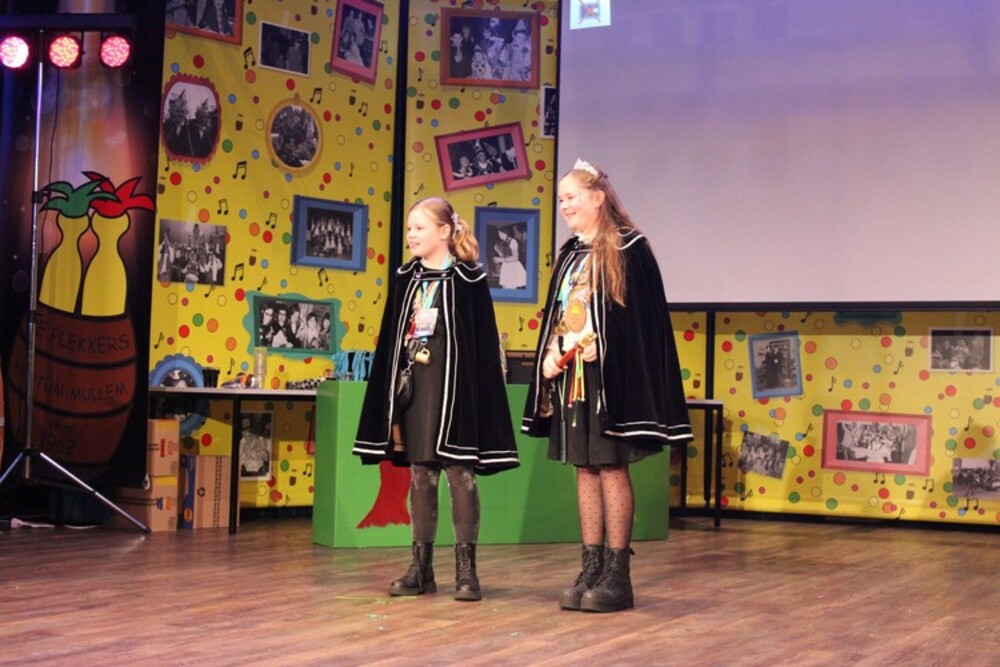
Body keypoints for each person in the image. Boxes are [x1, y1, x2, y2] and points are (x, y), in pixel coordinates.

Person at [522, 159, 693, 613]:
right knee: (584, 469)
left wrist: (608, 347)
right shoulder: (569, 253)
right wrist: (552, 352)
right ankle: (591, 566)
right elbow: (561, 314)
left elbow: (643, 322)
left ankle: (618, 575)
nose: (564, 206)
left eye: (571, 198)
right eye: (561, 199)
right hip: (572, 377)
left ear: (598, 198)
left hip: (609, 380)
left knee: (611, 468)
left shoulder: (629, 248)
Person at [354, 197, 519, 602]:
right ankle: (421, 568)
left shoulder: (468, 279)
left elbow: (481, 343)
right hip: (416, 387)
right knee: (420, 472)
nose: (411, 235)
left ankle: (466, 570)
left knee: (459, 473)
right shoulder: (406, 278)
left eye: (419, 228)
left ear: (444, 232)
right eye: (409, 228)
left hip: (456, 389)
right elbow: (393, 338)